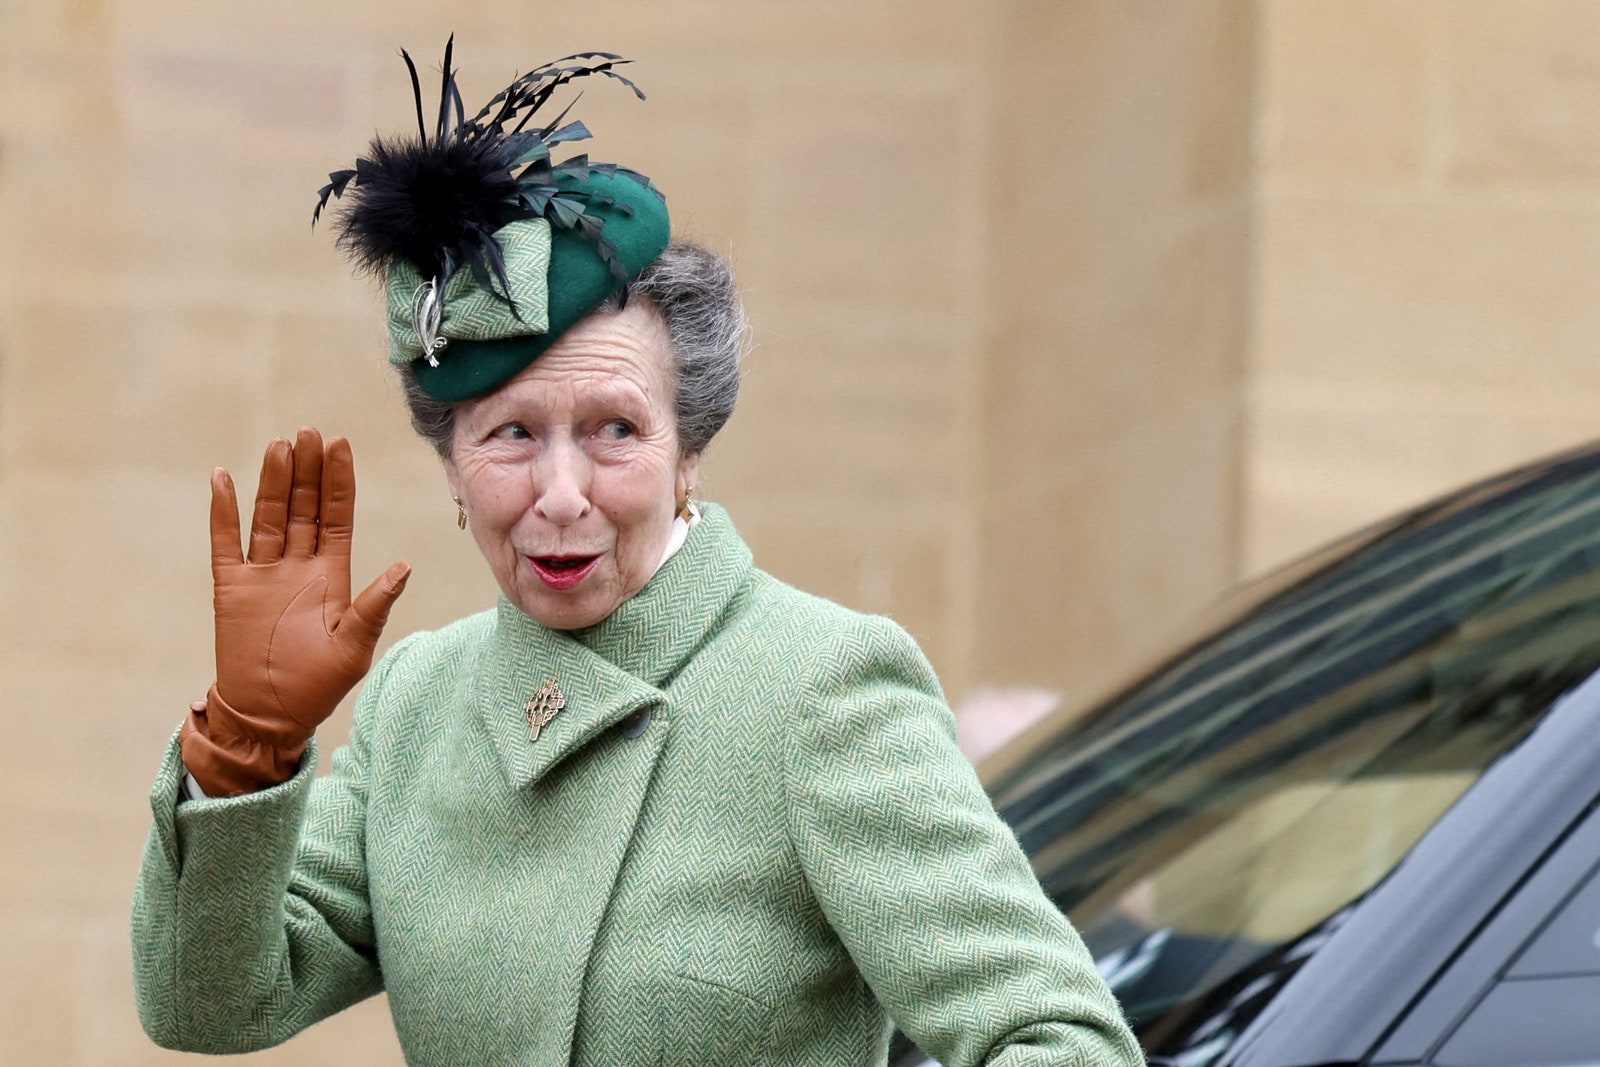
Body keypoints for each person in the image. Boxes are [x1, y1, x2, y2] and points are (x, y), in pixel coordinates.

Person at [131, 45, 1142, 1067]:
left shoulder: (820, 687)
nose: (561, 492)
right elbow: (206, 1007)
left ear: (687, 448)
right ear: (450, 465)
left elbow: (1059, 1037)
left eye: (614, 428)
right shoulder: (418, 702)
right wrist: (247, 744)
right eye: (510, 433)